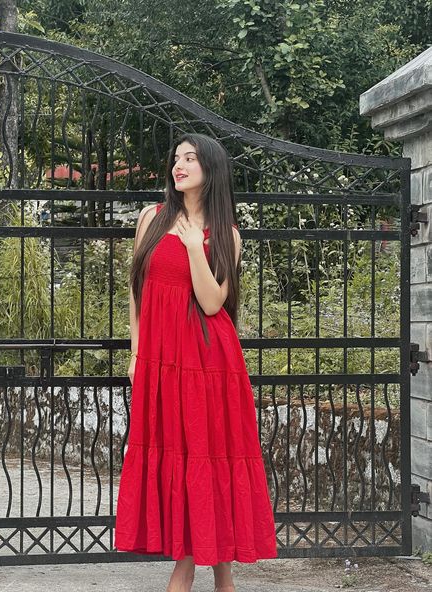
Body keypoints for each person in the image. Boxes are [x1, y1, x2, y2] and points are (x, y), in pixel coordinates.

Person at [114, 133, 278, 592]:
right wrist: (136, 352)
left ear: (211, 168)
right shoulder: (150, 217)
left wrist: (192, 246)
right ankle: (218, 570)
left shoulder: (227, 234)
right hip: (161, 361)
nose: (178, 165)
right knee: (180, 457)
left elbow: (212, 303)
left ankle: (198, 568)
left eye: (190, 158)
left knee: (209, 458)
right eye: (176, 158)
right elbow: (137, 292)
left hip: (209, 360)